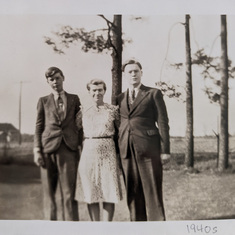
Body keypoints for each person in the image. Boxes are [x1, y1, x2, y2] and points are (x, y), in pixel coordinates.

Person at [116, 58, 170, 221]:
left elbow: (163, 122)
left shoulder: (153, 93)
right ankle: (137, 227)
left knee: (153, 191)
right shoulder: (119, 98)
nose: (133, 74)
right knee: (132, 193)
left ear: (141, 73)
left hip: (149, 149)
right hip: (127, 149)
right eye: (130, 72)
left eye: (136, 71)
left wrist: (165, 150)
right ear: (125, 75)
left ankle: (158, 227)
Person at [33, 67, 83, 221]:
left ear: (63, 78)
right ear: (48, 82)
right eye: (51, 79)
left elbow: (79, 126)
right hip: (47, 150)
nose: (55, 82)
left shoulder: (74, 99)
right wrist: (37, 150)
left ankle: (72, 228)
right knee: (49, 194)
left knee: (69, 193)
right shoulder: (43, 101)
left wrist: (80, 146)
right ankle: (51, 227)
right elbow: (39, 126)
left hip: (68, 149)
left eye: (57, 78)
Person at [75, 79, 122, 221]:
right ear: (89, 92)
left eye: (100, 90)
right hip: (88, 152)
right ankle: (95, 226)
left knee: (109, 190)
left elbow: (120, 131)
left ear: (104, 91)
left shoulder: (113, 110)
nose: (97, 93)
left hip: (108, 151)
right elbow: (75, 130)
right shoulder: (83, 111)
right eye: (94, 90)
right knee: (91, 191)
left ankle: (106, 227)